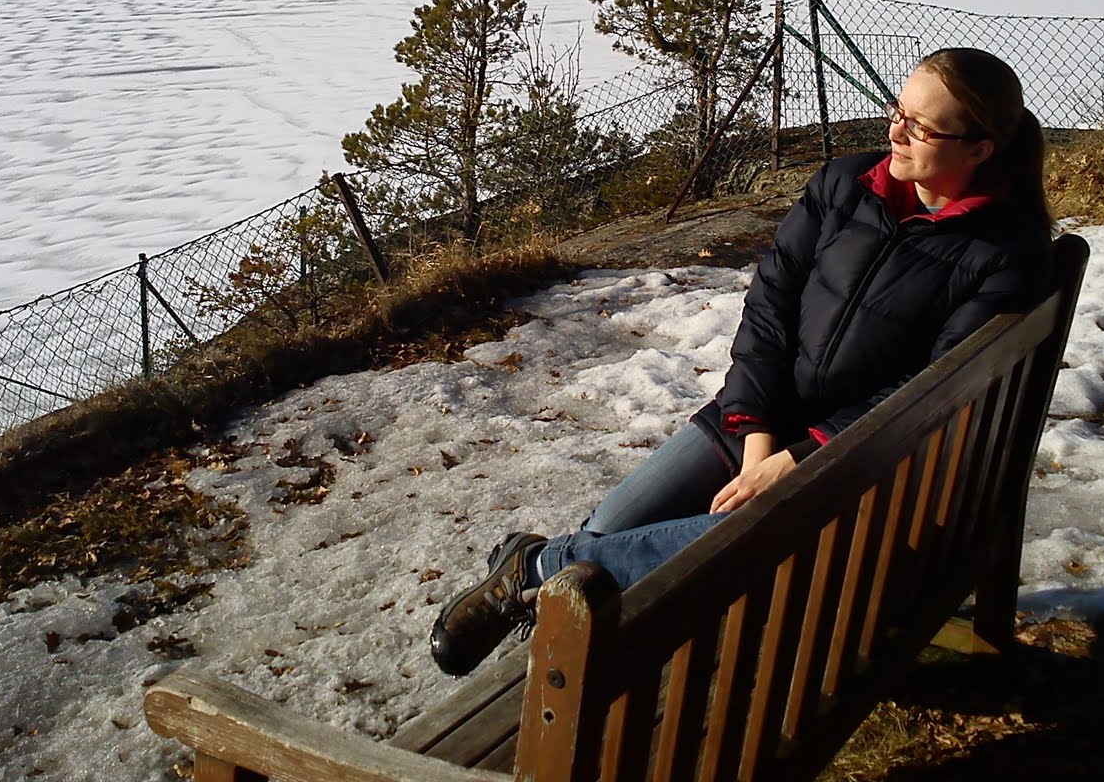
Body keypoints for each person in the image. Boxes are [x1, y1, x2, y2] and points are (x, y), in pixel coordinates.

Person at [430, 47, 1055, 676]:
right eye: (898, 110)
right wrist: (758, 436)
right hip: (761, 410)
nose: (895, 131)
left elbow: (928, 388)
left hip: (864, 457)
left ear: (979, 149)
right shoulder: (845, 184)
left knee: (698, 549)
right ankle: (554, 589)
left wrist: (799, 459)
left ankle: (537, 570)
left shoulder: (1005, 251)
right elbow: (769, 307)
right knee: (611, 531)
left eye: (921, 127)